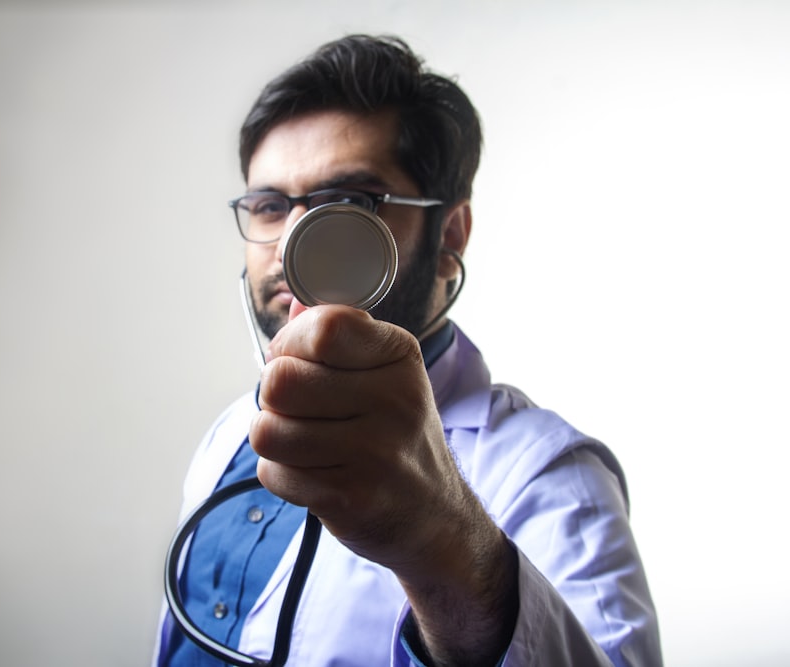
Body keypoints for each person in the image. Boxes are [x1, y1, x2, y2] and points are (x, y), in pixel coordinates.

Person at [153, 34, 662, 666]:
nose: (291, 248)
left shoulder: (552, 478)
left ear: (449, 234)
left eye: (347, 204)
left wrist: (442, 543)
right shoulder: (231, 433)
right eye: (268, 205)